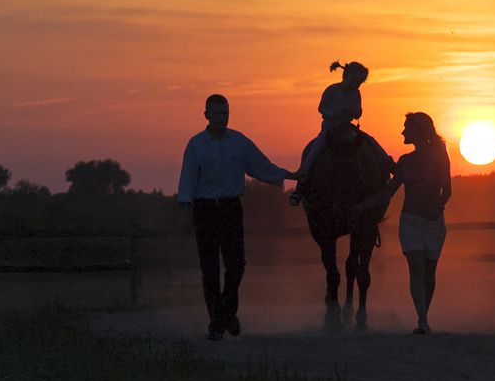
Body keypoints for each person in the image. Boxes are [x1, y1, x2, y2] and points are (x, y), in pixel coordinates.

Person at [178, 93, 297, 340]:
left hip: (231, 208)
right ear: (207, 115)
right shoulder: (196, 144)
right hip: (205, 209)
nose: (222, 118)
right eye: (217, 113)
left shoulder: (239, 142)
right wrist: (186, 209)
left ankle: (227, 311)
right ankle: (217, 322)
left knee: (237, 264)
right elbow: (188, 177)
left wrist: (288, 175)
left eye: (225, 113)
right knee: (210, 267)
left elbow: (260, 166)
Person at [352, 112, 451, 334]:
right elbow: (389, 191)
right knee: (416, 267)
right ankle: (422, 321)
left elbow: (447, 189)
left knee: (429, 272)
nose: (403, 132)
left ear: (419, 131)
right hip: (410, 222)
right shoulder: (405, 161)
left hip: (433, 223)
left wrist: (438, 207)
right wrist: (364, 205)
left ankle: (423, 317)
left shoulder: (440, 155)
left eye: (407, 127)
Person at [288, 60, 368, 206]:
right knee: (314, 151)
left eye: (359, 83)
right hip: (330, 127)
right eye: (354, 81)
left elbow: (358, 111)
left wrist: (355, 112)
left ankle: (381, 168)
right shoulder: (332, 90)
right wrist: (334, 113)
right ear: (345, 76)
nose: (356, 85)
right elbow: (321, 108)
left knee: (368, 142)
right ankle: (301, 184)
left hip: (348, 128)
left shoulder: (356, 93)